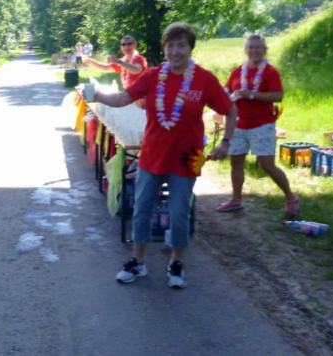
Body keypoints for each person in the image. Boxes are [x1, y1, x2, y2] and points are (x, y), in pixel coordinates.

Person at [93, 23, 237, 288]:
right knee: (142, 209)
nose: (175, 51)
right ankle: (138, 262)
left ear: (190, 48)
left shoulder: (204, 79)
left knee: (179, 212)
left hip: (185, 158)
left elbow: (230, 110)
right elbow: (124, 98)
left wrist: (226, 142)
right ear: (164, 49)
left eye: (181, 45)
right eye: (170, 45)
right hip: (152, 154)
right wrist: (98, 96)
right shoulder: (152, 75)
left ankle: (175, 263)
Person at [217, 34, 299, 216]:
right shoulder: (238, 71)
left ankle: (291, 197)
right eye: (251, 47)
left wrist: (251, 94)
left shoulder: (270, 72)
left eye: (258, 47)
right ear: (245, 50)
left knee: (267, 165)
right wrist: (224, 96)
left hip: (262, 125)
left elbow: (278, 96)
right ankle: (236, 199)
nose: (254, 51)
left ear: (264, 50)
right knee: (236, 162)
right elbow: (226, 90)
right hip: (238, 124)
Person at [83, 35, 147, 89]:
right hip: (129, 95)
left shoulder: (139, 58)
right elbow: (105, 68)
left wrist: (119, 63)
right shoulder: (122, 61)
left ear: (134, 46)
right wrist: (92, 62)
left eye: (129, 44)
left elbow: (136, 70)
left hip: (141, 96)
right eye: (123, 44)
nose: (126, 46)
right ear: (121, 47)